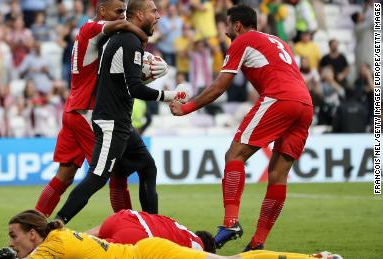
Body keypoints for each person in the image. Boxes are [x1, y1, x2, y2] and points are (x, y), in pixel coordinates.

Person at [170, 5, 313, 251]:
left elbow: (219, 86)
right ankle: (257, 243)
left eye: (227, 25)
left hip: (280, 98)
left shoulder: (244, 40)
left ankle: (231, 223)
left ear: (237, 25)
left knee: (234, 155)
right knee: (278, 175)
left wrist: (187, 108)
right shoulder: (276, 40)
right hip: (305, 103)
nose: (225, 31)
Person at [54, 0, 190, 224]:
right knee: (98, 177)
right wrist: (170, 95)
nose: (158, 16)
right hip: (110, 122)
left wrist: (143, 72)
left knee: (148, 166)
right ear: (137, 16)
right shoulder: (128, 40)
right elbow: (133, 87)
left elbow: (120, 79)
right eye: (153, 11)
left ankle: (152, 227)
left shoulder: (121, 40)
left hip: (120, 122)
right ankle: (57, 222)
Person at [0, 210, 341, 259]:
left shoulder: (52, 248)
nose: (11, 243)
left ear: (34, 235)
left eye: (13, 236)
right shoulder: (60, 239)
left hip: (152, 254)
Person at [86, 209, 216, 252]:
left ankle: (70, 238)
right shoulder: (197, 246)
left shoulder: (175, 224)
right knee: (92, 252)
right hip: (138, 236)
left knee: (81, 240)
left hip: (126, 216)